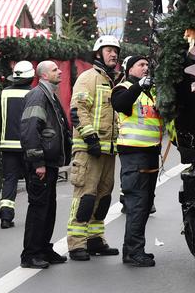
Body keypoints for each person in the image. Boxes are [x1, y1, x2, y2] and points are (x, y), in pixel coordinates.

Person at [67, 35, 121, 261]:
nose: (114, 54)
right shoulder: (88, 77)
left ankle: (95, 239)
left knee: (104, 197)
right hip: (90, 149)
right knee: (85, 196)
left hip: (109, 150)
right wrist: (91, 139)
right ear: (98, 53)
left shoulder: (113, 80)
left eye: (116, 51)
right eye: (109, 50)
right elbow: (77, 109)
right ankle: (76, 243)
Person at [19, 60, 72, 269]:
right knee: (39, 208)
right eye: (54, 70)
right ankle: (30, 254)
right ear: (43, 76)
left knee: (49, 208)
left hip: (49, 163)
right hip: (40, 164)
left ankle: (44, 248)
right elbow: (30, 131)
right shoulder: (38, 96)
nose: (59, 71)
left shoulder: (49, 94)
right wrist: (38, 162)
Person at [112, 55, 164, 267]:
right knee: (137, 204)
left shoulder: (150, 93)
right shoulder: (123, 88)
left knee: (144, 206)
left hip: (150, 154)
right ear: (129, 69)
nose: (145, 68)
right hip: (134, 155)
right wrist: (139, 87)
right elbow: (121, 104)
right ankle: (134, 252)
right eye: (140, 65)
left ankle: (133, 250)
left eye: (146, 64)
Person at [0, 61, 35, 229]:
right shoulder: (34, 94)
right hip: (29, 145)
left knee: (10, 180)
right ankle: (35, 216)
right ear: (31, 77)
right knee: (31, 181)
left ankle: (6, 217)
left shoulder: (4, 94)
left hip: (8, 146)